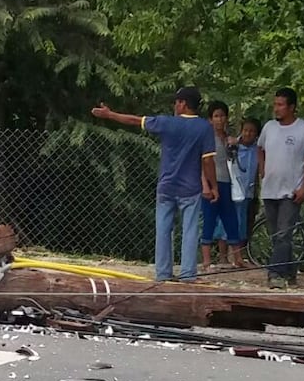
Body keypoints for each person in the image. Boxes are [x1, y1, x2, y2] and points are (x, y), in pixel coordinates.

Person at [92, 86, 217, 282]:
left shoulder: (167, 123)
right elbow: (208, 161)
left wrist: (109, 114)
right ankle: (187, 275)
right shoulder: (204, 128)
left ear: (183, 103)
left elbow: (135, 120)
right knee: (190, 230)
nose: (175, 106)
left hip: (166, 186)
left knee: (163, 229)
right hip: (190, 188)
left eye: (176, 102)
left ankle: (163, 273)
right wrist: (213, 186)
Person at [257, 87, 304, 289]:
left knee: (284, 233)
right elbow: (260, 149)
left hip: (291, 192)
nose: (276, 108)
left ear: (292, 107)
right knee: (276, 234)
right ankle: (290, 270)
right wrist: (262, 171)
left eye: (280, 105)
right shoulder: (268, 127)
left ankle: (275, 274)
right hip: (269, 189)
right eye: (275, 104)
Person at [200, 101, 246, 271]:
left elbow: (234, 162)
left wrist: (233, 146)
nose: (220, 120)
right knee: (210, 220)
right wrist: (205, 185)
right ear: (210, 119)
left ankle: (238, 258)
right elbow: (202, 163)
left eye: (222, 116)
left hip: (227, 182)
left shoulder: (227, 138)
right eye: (216, 116)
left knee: (231, 219)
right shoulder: (206, 138)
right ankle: (206, 261)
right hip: (212, 183)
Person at [230, 116, 261, 249]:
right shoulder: (233, 147)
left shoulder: (259, 149)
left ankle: (242, 252)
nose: (248, 133)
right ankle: (226, 256)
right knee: (231, 223)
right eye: (245, 130)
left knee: (247, 223)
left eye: (252, 131)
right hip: (234, 192)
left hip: (250, 193)